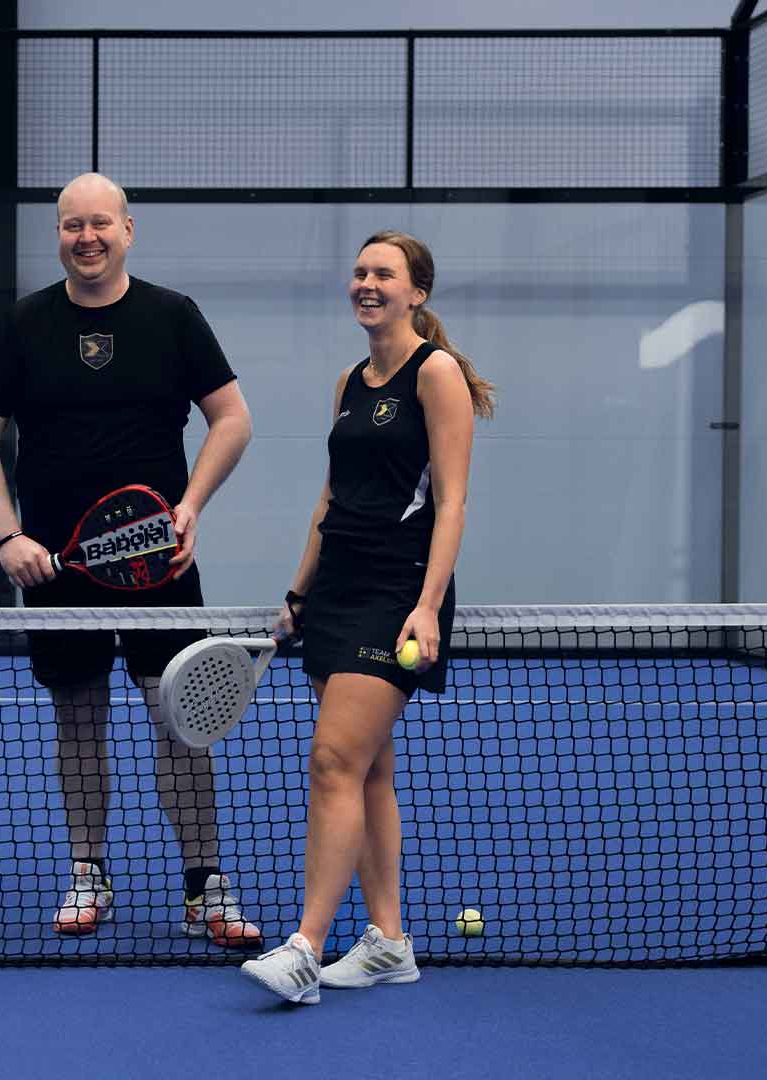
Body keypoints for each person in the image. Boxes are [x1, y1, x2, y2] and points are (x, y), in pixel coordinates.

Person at [0, 173, 262, 949]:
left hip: (158, 562)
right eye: (70, 226)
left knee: (183, 719)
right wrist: (7, 537)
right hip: (56, 570)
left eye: (99, 224)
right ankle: (87, 871)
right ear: (58, 235)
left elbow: (232, 419)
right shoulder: (25, 324)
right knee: (78, 717)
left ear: (129, 229)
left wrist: (190, 505)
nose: (84, 238)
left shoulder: (173, 317)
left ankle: (205, 884)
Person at [240, 230, 495, 1004]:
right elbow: (330, 495)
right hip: (339, 587)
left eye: (383, 273)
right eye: (358, 272)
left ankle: (304, 948)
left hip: (399, 588)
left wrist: (426, 605)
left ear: (417, 291)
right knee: (369, 766)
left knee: (332, 763)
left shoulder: (436, 372)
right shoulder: (351, 377)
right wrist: (298, 590)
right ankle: (388, 940)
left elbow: (450, 499)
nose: (367, 283)